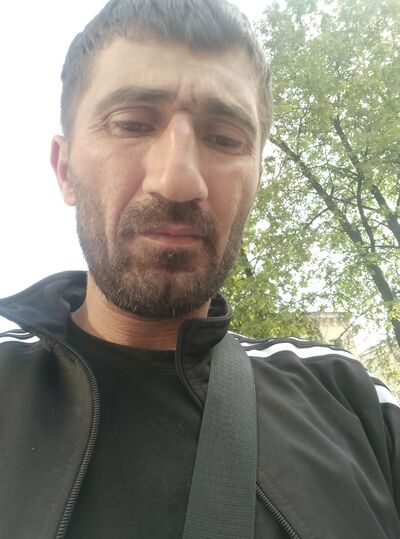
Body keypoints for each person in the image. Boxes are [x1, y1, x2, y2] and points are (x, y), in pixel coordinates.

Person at [0, 0, 399, 537]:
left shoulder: (354, 402)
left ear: (256, 179)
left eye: (225, 138)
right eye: (132, 124)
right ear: (65, 169)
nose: (178, 181)